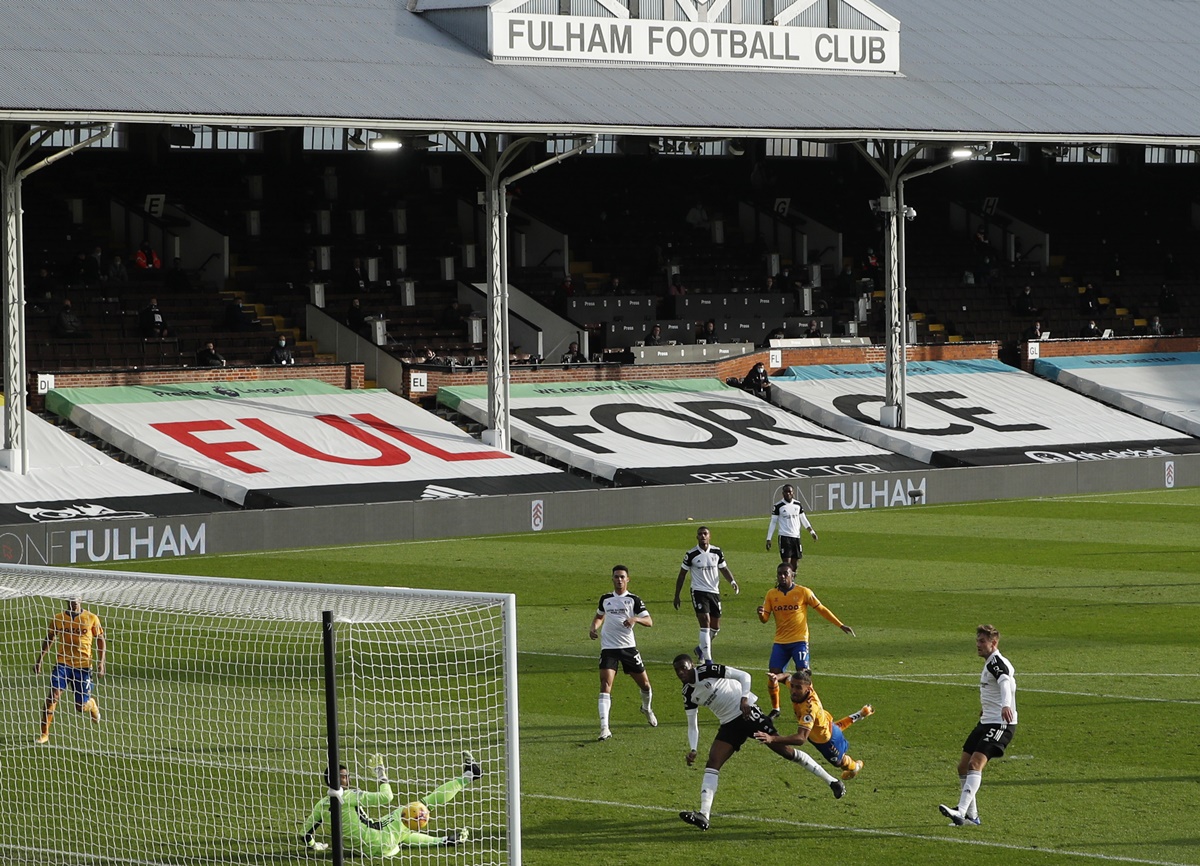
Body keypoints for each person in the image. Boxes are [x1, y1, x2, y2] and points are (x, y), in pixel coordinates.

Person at [673, 654, 844, 831]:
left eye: (683, 668)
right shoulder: (688, 693)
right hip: (729, 724)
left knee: (785, 752)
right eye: (677, 670)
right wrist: (693, 748)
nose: (680, 672)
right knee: (713, 763)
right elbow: (692, 723)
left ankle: (833, 782)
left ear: (692, 665)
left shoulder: (709, 670)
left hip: (749, 715)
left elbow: (744, 676)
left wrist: (744, 698)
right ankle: (704, 815)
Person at [301, 753, 478, 855]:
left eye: (346, 775)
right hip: (379, 839)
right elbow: (387, 796)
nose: (347, 778)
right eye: (343, 776)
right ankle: (469, 776)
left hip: (366, 849)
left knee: (400, 827)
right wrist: (380, 773)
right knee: (415, 809)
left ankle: (445, 841)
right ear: (334, 779)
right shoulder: (350, 795)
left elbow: (305, 834)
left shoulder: (321, 805)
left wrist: (314, 845)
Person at [939, 624, 1018, 827]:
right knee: (963, 766)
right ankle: (972, 817)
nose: (978, 645)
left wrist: (1005, 705)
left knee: (975, 764)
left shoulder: (996, 663)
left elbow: (1005, 683)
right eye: (977, 641)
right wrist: (988, 707)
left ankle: (961, 811)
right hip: (986, 722)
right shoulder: (990, 662)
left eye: (982, 641)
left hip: (1000, 724)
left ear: (994, 643)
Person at [757, 563, 855, 717]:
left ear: (792, 575)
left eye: (785, 573)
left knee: (803, 674)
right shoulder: (771, 594)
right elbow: (765, 619)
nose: (782, 576)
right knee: (773, 675)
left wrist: (840, 624)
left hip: (799, 641)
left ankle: (812, 706)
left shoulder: (803, 592)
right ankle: (776, 709)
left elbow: (821, 608)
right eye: (779, 574)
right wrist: (761, 614)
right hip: (780, 642)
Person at [753, 668, 873, 781]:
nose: (793, 690)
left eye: (798, 688)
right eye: (793, 686)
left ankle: (855, 767)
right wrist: (776, 677)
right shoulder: (799, 687)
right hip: (822, 723)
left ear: (808, 689)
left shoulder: (809, 709)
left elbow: (801, 738)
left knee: (839, 763)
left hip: (827, 741)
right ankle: (861, 713)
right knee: (828, 726)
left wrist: (772, 738)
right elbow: (787, 677)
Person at [589, 564, 656, 741]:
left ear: (628, 579)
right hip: (608, 649)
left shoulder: (634, 599)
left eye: (622, 577)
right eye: (616, 577)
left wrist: (635, 618)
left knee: (645, 686)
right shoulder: (605, 599)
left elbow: (649, 621)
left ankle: (646, 708)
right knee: (605, 685)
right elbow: (599, 616)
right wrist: (593, 628)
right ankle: (604, 728)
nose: (619, 580)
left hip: (628, 649)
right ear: (612, 578)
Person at [32, 595, 105, 744]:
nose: (73, 602)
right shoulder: (58, 618)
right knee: (53, 696)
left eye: (76, 599)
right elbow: (50, 638)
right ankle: (44, 734)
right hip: (62, 664)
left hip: (83, 666)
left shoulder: (91, 618)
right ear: (66, 600)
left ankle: (91, 704)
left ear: (81, 599)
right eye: (71, 599)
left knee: (80, 707)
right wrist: (39, 660)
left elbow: (101, 639)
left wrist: (101, 662)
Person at [674, 525, 738, 664]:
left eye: (705, 533)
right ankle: (708, 660)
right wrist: (677, 595)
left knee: (715, 627)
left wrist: (732, 581)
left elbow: (723, 568)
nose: (703, 536)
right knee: (705, 623)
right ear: (697, 537)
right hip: (698, 592)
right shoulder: (691, 554)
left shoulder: (717, 551)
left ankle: (700, 649)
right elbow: (682, 575)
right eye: (700, 534)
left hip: (714, 592)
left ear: (709, 536)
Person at [765, 484, 817, 572]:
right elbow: (773, 522)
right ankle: (783, 582)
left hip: (796, 537)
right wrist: (768, 538)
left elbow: (803, 519)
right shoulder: (778, 506)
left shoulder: (798, 504)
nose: (788, 494)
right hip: (784, 537)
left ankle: (792, 583)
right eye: (786, 492)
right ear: (783, 493)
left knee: (795, 565)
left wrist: (812, 532)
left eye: (790, 492)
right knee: (787, 564)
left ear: (793, 493)